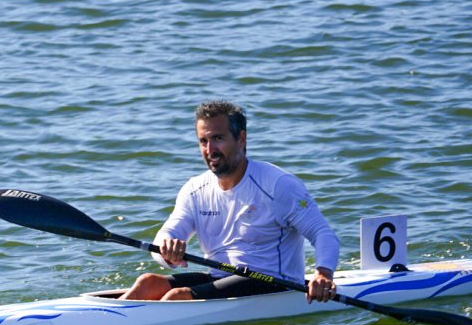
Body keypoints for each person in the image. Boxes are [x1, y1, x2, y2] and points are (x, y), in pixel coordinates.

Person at [121, 100, 341, 303]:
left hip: (274, 282)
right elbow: (167, 234)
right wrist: (166, 249)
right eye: (203, 141)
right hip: (221, 277)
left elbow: (323, 234)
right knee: (148, 283)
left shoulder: (278, 185)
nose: (210, 150)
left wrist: (323, 274)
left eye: (218, 138)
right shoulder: (194, 189)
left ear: (241, 139)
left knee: (178, 296)